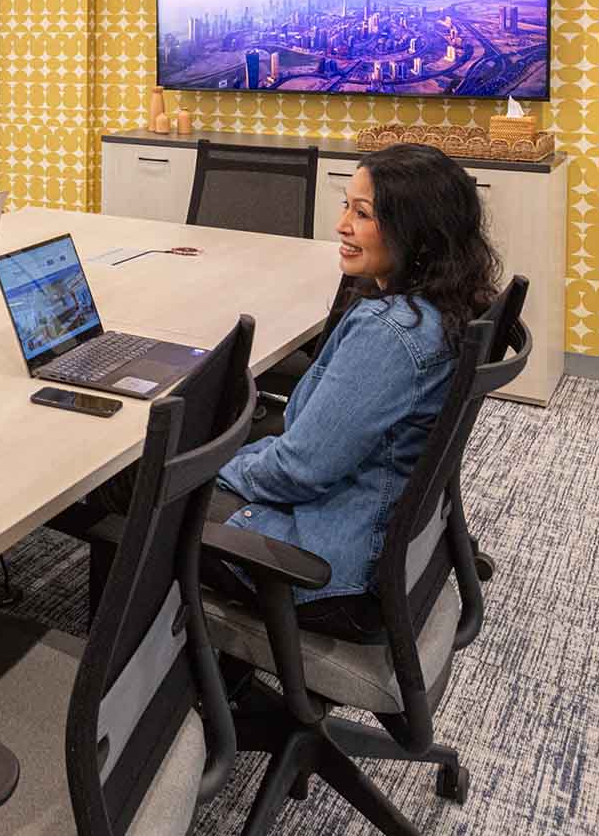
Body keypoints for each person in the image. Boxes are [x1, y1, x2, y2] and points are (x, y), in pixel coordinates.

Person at [210, 142, 500, 638]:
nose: (341, 225)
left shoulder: (392, 334)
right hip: (383, 541)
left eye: (362, 214)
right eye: (347, 206)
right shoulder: (444, 305)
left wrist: (212, 470)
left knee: (145, 500)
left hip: (330, 569)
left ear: (417, 233)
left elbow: (299, 470)